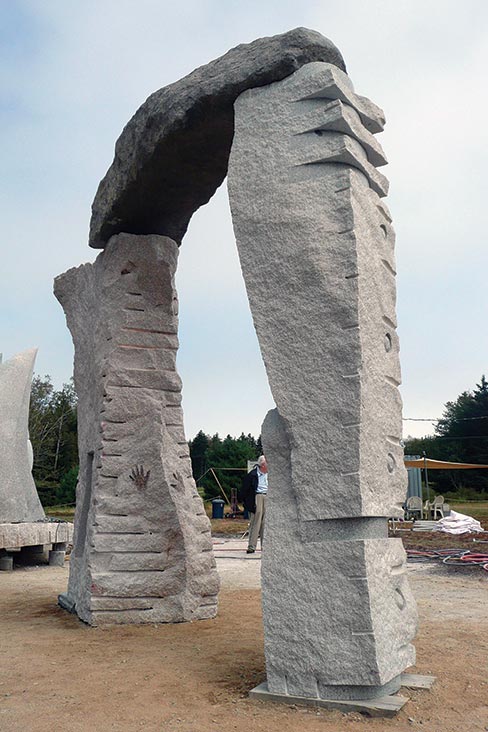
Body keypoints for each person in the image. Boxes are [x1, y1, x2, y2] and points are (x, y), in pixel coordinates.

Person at [240, 455, 268, 554]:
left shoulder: (269, 474)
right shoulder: (252, 475)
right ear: (263, 465)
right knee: (256, 523)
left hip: (267, 497)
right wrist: (248, 504)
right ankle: (251, 546)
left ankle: (266, 546)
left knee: (266, 523)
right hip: (257, 497)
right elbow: (244, 491)